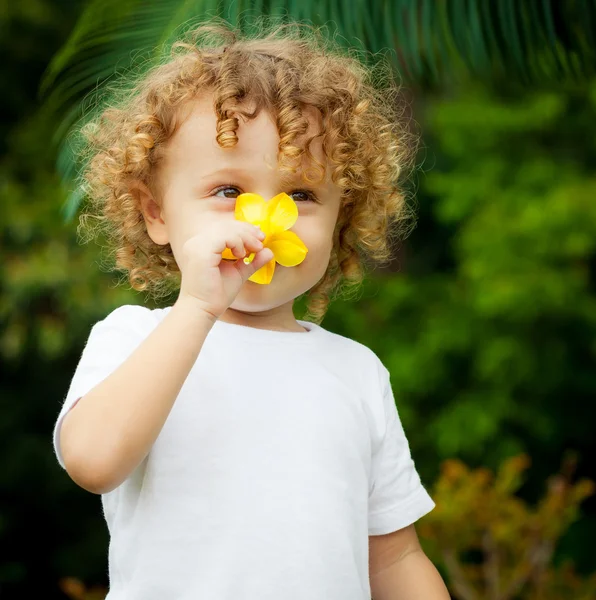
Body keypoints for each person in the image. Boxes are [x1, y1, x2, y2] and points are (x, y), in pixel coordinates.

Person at [52, 19, 451, 600]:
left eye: (301, 195)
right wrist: (197, 306)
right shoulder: (135, 337)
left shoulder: (356, 371)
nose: (262, 218)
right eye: (228, 192)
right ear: (156, 214)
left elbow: (394, 560)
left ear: (343, 217)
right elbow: (92, 460)